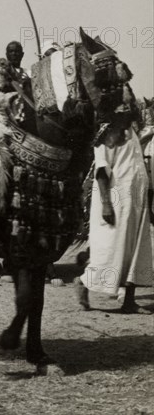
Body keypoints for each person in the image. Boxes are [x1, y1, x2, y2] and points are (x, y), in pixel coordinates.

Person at [78, 115, 153, 313]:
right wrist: (106, 204)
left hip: (137, 201)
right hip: (116, 200)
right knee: (111, 249)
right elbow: (102, 171)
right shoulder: (106, 134)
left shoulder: (131, 131)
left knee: (136, 250)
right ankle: (83, 283)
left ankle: (129, 301)